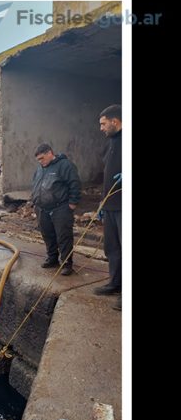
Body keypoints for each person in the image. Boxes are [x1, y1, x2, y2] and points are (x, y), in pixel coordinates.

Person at [31, 143, 82, 276]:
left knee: (63, 236)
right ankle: (52, 258)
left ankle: (66, 264)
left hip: (60, 208)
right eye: (38, 160)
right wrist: (35, 201)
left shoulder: (65, 165)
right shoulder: (40, 168)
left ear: (50, 153)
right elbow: (36, 184)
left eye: (42, 158)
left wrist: (73, 202)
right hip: (42, 208)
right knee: (48, 235)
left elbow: (74, 183)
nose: (40, 162)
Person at [94, 104, 122, 310]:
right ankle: (116, 282)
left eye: (104, 124)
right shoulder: (110, 143)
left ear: (115, 121)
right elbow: (107, 176)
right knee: (112, 248)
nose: (101, 128)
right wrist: (102, 203)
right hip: (110, 206)